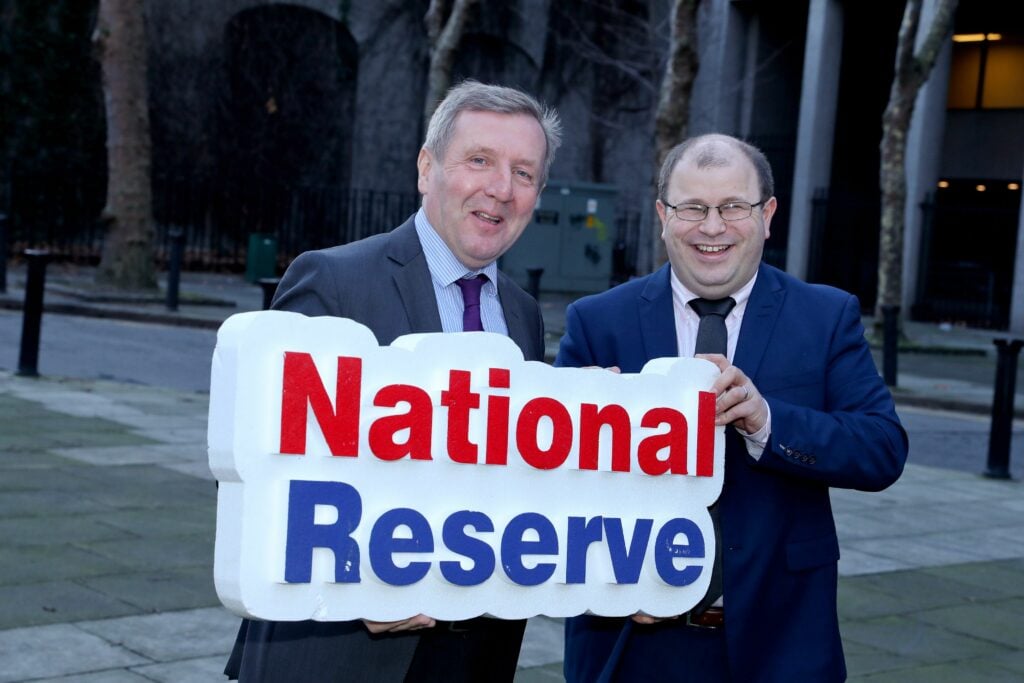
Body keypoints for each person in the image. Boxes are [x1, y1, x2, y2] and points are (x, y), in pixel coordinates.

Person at [223, 80, 562, 682]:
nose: (501, 189)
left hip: (472, 655)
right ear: (427, 168)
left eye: (524, 173)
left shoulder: (524, 315)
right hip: (337, 651)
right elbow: (265, 467)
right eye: (479, 160)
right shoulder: (333, 281)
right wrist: (349, 581)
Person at [557, 133, 907, 682]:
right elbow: (548, 482)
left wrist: (767, 421)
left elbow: (883, 449)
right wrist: (580, 426)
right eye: (692, 207)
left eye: (733, 207)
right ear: (662, 216)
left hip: (782, 641)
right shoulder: (598, 322)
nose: (713, 227)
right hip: (631, 642)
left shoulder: (826, 316)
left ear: (767, 215)